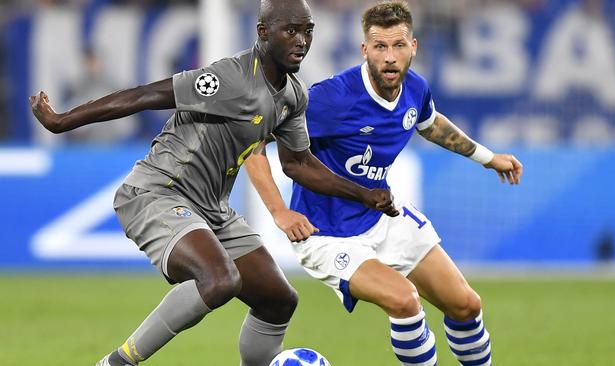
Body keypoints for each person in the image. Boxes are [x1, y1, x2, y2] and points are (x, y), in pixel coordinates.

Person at [29, 1, 399, 365]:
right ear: (263, 33)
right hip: (158, 192)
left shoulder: (292, 96)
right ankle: (118, 362)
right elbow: (142, 96)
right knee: (219, 280)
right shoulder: (231, 78)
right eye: (291, 31)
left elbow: (300, 164)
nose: (302, 40)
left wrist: (363, 194)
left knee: (278, 299)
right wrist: (64, 121)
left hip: (212, 210)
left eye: (308, 31)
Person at [244, 1, 523, 365]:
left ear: (414, 47)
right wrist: (279, 211)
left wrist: (487, 158)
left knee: (466, 305)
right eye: (380, 47)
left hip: (382, 219)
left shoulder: (415, 89)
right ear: (365, 50)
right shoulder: (331, 98)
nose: (390, 57)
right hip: (327, 233)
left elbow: (430, 122)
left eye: (398, 46)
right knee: (405, 300)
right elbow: (252, 142)